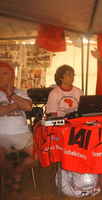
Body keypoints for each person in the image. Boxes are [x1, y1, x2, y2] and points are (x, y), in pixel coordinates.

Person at [0, 61, 35, 195]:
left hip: (22, 135)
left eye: (5, 73)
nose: (1, 76)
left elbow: (28, 107)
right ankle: (10, 175)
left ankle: (16, 173)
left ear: (12, 76)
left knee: (39, 156)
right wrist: (16, 105)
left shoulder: (21, 92)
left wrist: (12, 95)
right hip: (1, 135)